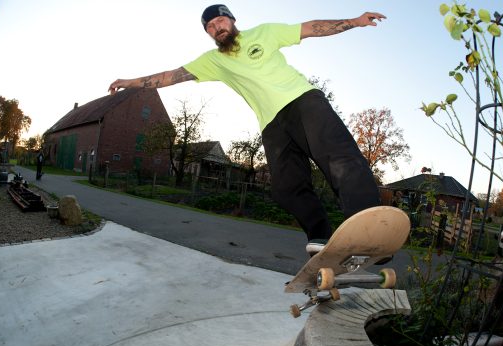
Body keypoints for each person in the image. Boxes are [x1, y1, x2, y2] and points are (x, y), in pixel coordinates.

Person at [109, 4, 384, 255]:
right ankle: (321, 236)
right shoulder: (213, 61)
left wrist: (354, 21)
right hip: (271, 124)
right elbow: (170, 76)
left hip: (303, 100)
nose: (217, 29)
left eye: (220, 21)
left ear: (231, 20)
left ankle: (371, 230)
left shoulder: (264, 33)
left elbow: (311, 28)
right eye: (211, 28)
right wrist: (129, 82)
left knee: (339, 159)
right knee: (286, 188)